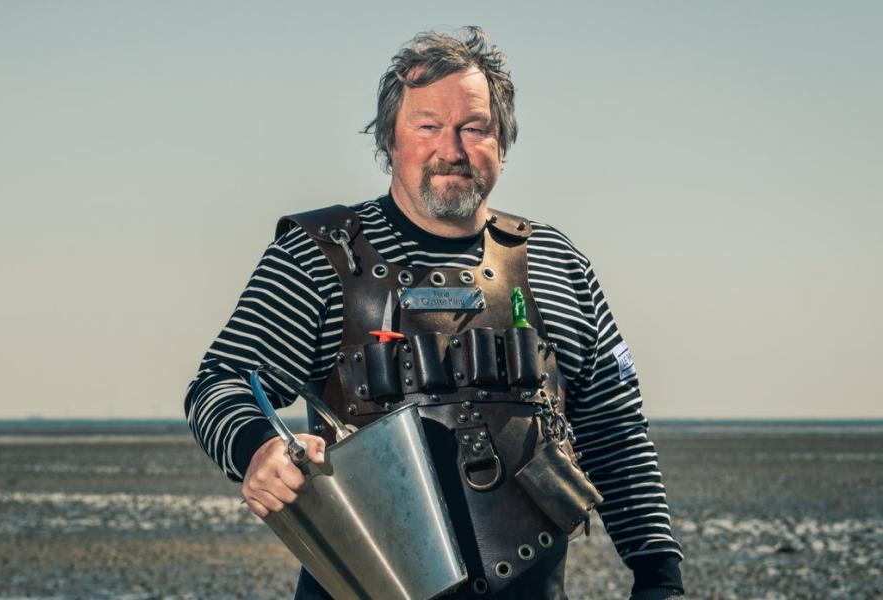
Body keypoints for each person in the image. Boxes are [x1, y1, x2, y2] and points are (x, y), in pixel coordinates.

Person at [184, 26, 685, 600]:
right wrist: (256, 447)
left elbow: (615, 428)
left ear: (503, 141)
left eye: (475, 128)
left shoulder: (556, 263)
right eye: (428, 126)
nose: (451, 149)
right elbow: (218, 385)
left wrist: (658, 577)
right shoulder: (317, 256)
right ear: (389, 141)